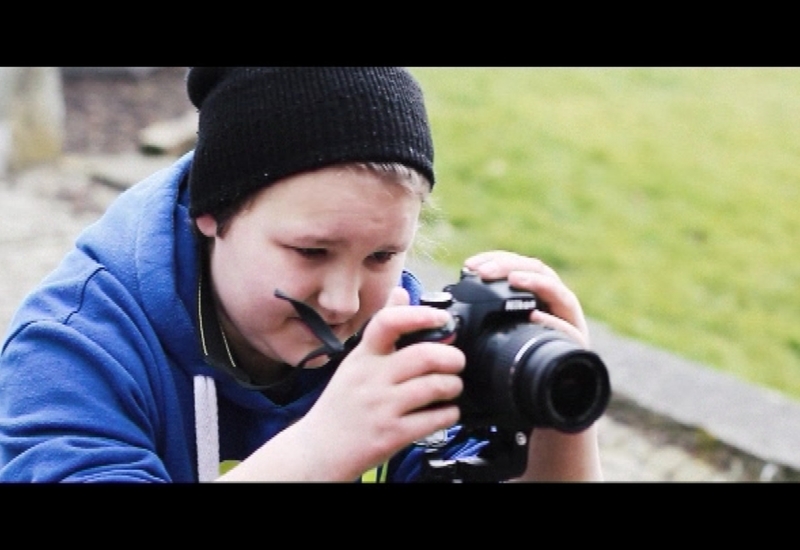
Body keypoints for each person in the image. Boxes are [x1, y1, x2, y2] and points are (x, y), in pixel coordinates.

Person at [0, 67, 602, 482]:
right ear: (211, 213)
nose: (342, 304)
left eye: (382, 256)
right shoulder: (70, 353)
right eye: (311, 252)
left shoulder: (397, 332)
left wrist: (559, 421)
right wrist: (323, 447)